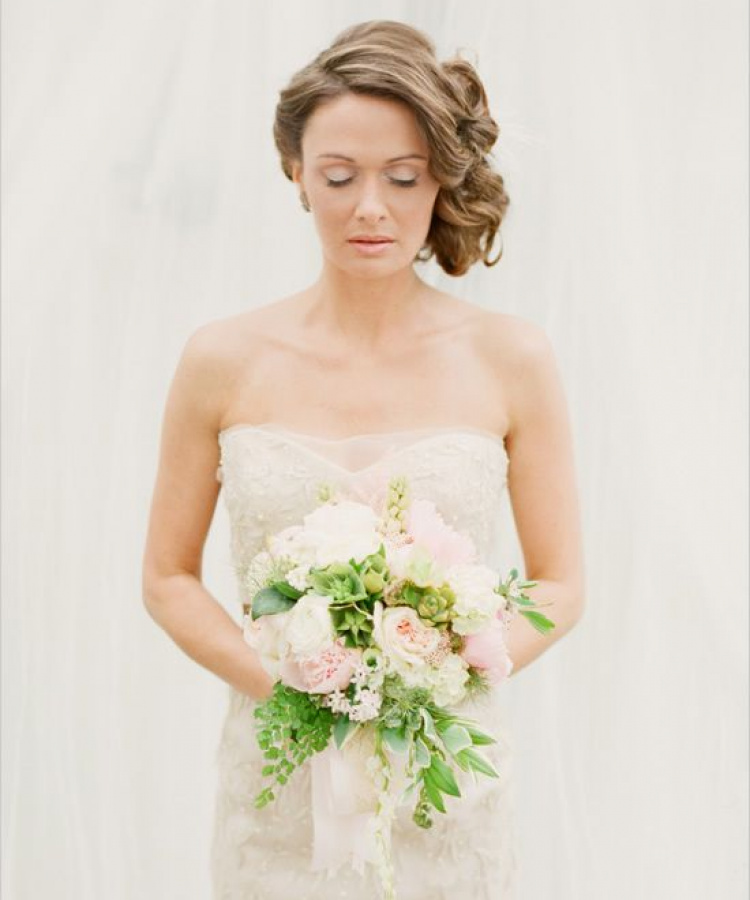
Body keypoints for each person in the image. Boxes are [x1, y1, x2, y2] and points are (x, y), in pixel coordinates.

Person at [142, 19, 585, 900]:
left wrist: (431, 668)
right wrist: (287, 679)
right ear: (297, 176)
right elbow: (166, 578)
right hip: (276, 781)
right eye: (339, 177)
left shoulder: (513, 358)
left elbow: (561, 584)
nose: (369, 207)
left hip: (444, 782)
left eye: (403, 177)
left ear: (440, 184)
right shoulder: (220, 359)